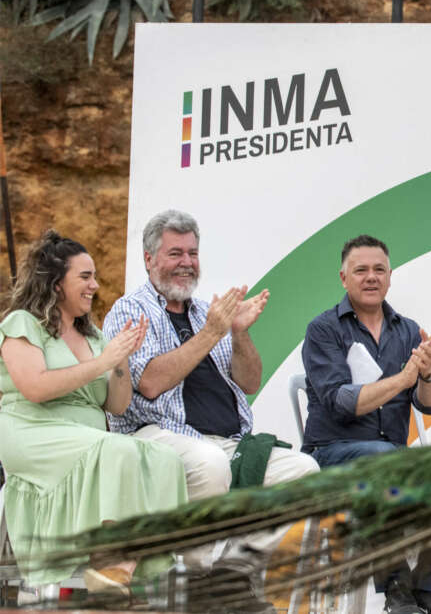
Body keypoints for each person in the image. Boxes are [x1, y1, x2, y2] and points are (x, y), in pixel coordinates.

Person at [103, 209, 319, 612]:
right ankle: (202, 577)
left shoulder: (208, 312)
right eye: (175, 253)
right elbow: (148, 383)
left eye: (193, 253)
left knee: (304, 471)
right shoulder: (129, 310)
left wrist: (239, 334)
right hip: (154, 435)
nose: (187, 262)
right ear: (149, 260)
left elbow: (250, 383)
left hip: (229, 440)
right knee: (208, 463)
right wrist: (211, 333)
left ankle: (230, 570)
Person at [0, 231, 187, 594]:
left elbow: (117, 405)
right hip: (32, 430)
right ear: (55, 283)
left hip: (88, 438)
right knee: (117, 449)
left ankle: (122, 569)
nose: (95, 285)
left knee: (164, 457)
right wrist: (102, 361)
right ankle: (111, 566)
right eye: (84, 277)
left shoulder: (93, 335)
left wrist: (121, 360)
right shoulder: (22, 323)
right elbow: (35, 387)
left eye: (95, 277)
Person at [301, 234, 431, 614]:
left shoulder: (407, 330)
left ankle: (423, 589)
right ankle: (396, 586)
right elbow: (339, 402)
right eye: (361, 270)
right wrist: (402, 380)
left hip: (390, 459)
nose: (371, 277)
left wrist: (428, 370)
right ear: (343, 277)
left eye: (379, 270)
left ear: (390, 276)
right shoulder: (324, 330)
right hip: (331, 454)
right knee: (384, 459)